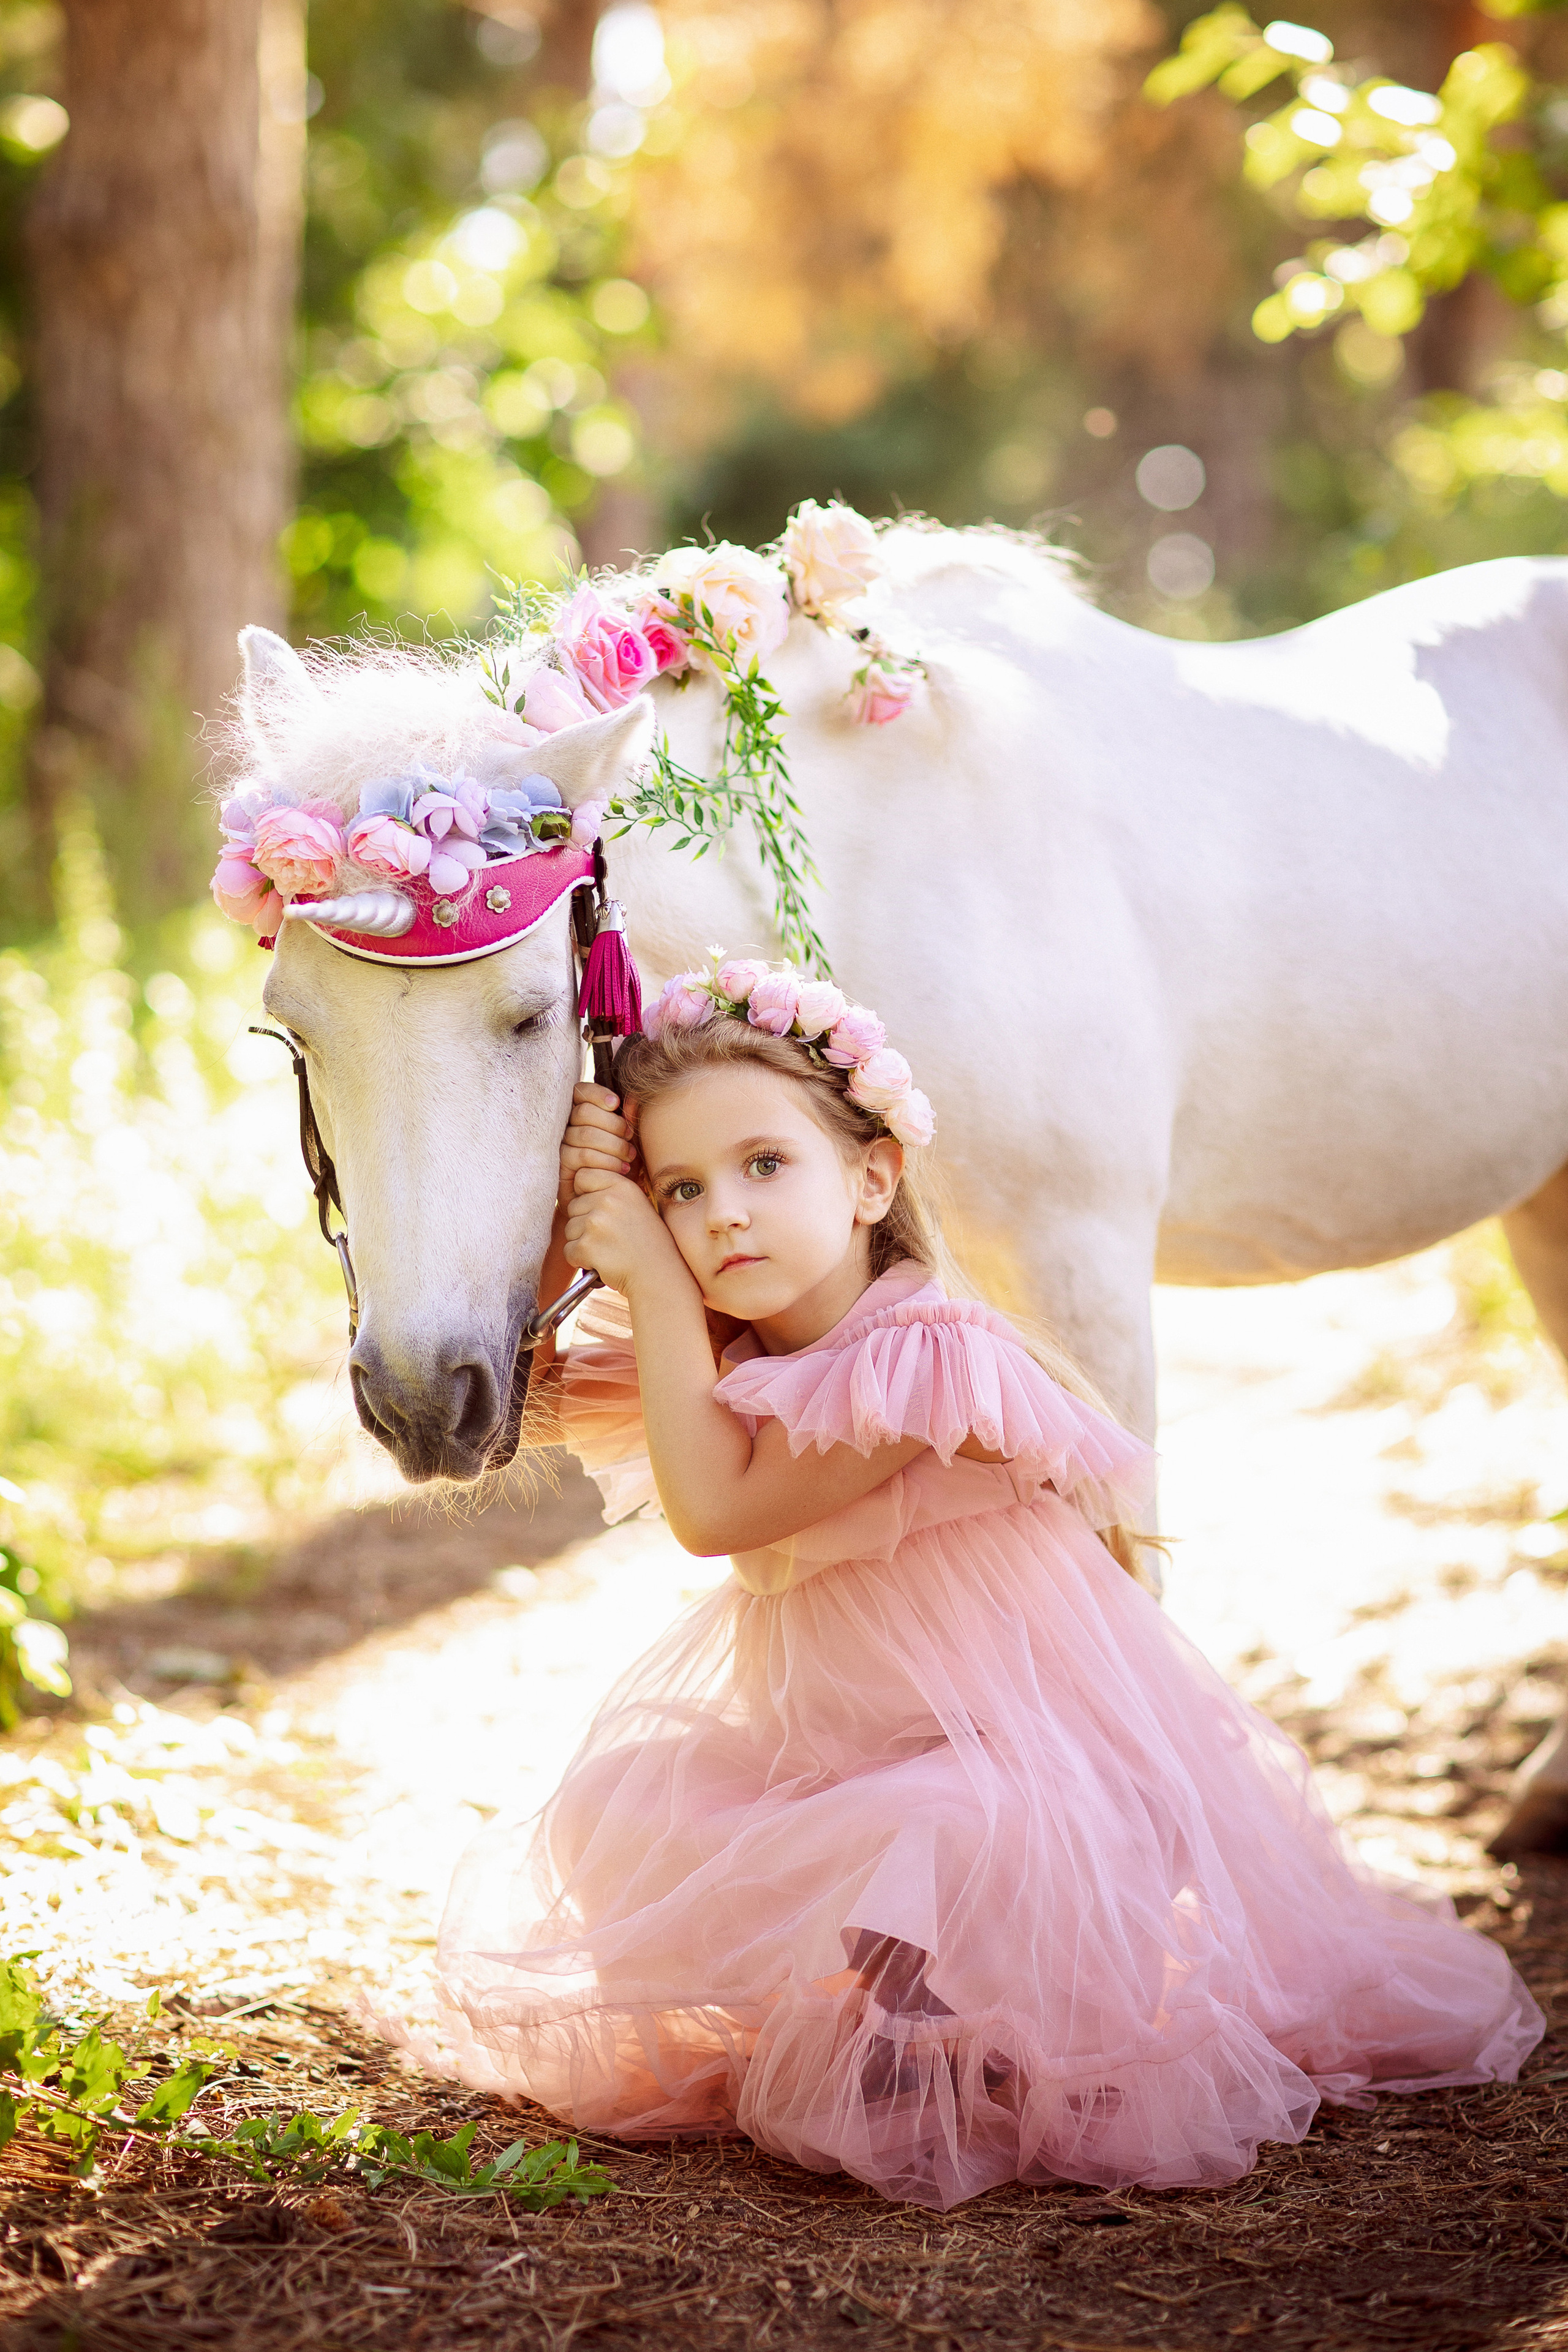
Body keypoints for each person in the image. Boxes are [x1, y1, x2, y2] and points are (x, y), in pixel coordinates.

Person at [373, 954, 1542, 2212]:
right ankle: (900, 2019)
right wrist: (577, 1216)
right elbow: (519, 1399)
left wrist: (653, 1280)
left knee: (942, 1828)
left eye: (765, 1165)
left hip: (1023, 1768)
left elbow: (716, 1515)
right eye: (682, 1190)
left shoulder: (921, 1360)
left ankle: (953, 2036)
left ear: (871, 1179)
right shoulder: (713, 1352)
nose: (723, 1217)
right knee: (624, 1808)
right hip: (841, 1749)